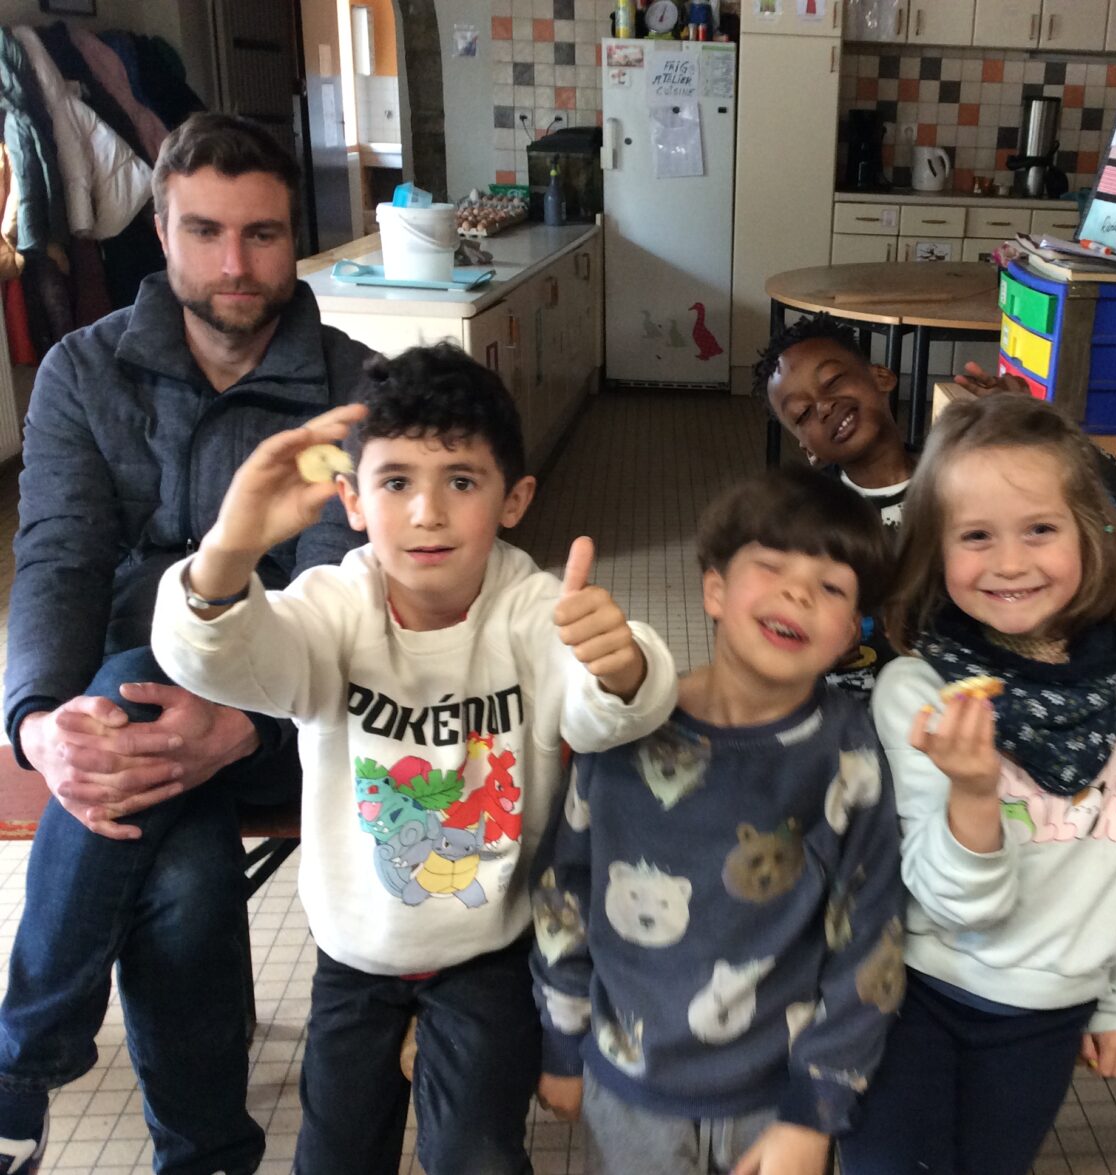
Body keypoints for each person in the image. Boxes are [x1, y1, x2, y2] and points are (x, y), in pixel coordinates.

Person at [149, 342, 679, 1174]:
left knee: (475, 1154)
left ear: (514, 499)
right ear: (353, 501)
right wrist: (228, 549)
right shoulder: (334, 603)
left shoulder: (532, 606)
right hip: (355, 953)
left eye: (461, 480)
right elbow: (223, 658)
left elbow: (604, 709)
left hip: (489, 951)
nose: (427, 512)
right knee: (333, 1155)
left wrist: (624, 663)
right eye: (396, 481)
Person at [0, 113, 374, 1175]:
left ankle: (20, 1062)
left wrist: (244, 725)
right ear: (162, 233)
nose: (234, 263)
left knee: (135, 691)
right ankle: (205, 1154)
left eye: (261, 234)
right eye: (205, 231)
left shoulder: (355, 391)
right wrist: (38, 720)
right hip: (126, 724)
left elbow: (336, 590)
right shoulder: (83, 371)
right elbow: (60, 556)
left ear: (295, 238)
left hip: (291, 713)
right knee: (181, 865)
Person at [530, 466, 905, 1175]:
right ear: (714, 590)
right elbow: (565, 893)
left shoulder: (849, 755)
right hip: (626, 1081)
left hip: (776, 1096)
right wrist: (561, 1041)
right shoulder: (624, 730)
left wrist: (816, 1108)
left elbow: (869, 940)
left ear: (850, 635)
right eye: (772, 566)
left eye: (831, 587)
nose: (799, 592)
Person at [837, 394, 1116, 1175]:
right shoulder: (919, 693)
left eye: (1039, 529)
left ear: (1088, 534)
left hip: (1050, 1012)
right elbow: (954, 905)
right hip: (916, 990)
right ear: (934, 549)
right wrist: (973, 794)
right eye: (976, 535)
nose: (1011, 562)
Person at [754, 313, 1116, 699]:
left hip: (998, 695)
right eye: (803, 413)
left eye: (833, 381)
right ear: (806, 448)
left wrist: (1028, 427)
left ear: (881, 377)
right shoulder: (809, 523)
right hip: (877, 713)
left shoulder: (967, 476)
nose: (823, 406)